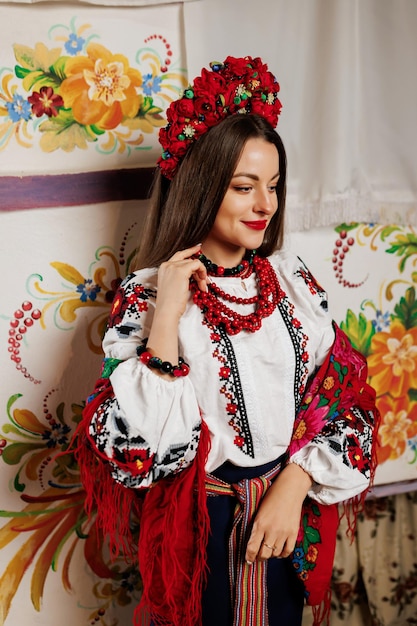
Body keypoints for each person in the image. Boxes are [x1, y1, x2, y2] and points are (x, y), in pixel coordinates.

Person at [75, 56, 378, 626]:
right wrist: (167, 314)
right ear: (203, 186)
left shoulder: (291, 282)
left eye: (274, 186)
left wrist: (295, 482)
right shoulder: (146, 298)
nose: (266, 204)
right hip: (202, 535)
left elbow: (346, 399)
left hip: (288, 517)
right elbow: (139, 455)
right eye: (244, 187)